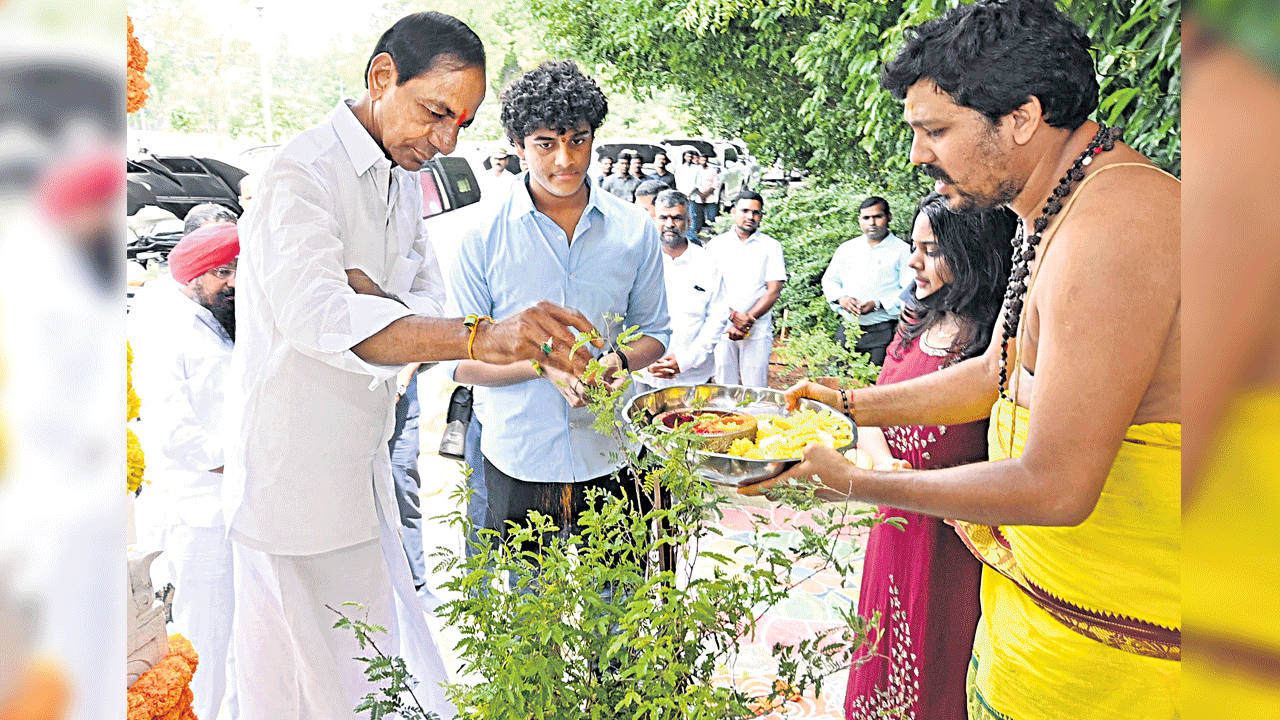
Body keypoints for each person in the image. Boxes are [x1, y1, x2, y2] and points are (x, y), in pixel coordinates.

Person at [743, 2, 1181, 718]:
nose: (919, 155)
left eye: (936, 131)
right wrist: (847, 405)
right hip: (1048, 632)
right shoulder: (1059, 209)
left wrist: (856, 482)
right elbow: (999, 373)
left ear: (1022, 117)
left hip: (1130, 665)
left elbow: (1058, 487)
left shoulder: (1116, 233)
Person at [223, 14, 604, 719]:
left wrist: (383, 305)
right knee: (300, 691)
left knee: (370, 672)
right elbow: (323, 318)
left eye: (462, 123)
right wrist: (472, 335)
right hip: (294, 482)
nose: (446, 141)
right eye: (436, 113)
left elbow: (424, 296)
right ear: (380, 78)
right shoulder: (299, 175)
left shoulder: (400, 176)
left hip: (363, 470)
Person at [446, 59, 669, 580]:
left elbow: (655, 333)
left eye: (578, 140)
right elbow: (460, 361)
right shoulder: (482, 234)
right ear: (519, 147)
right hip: (518, 454)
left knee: (618, 617)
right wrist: (544, 367)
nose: (565, 160)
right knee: (529, 618)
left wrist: (614, 360)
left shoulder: (634, 229)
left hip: (613, 451)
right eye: (545, 143)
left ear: (594, 138)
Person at [844, 193, 1016, 720]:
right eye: (914, 247)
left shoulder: (1000, 349)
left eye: (932, 250)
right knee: (881, 660)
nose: (912, 261)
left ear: (973, 256)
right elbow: (873, 407)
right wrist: (880, 466)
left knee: (937, 674)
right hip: (894, 523)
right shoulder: (916, 320)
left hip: (955, 542)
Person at [129, 221, 242, 720]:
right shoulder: (165, 325)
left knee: (235, 635)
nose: (233, 281)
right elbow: (176, 433)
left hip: (228, 504)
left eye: (239, 269)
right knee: (204, 637)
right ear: (192, 277)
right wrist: (245, 463)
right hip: (196, 513)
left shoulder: (212, 313)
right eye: (222, 271)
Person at [636, 189, 728, 390]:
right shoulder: (637, 260)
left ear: (689, 221)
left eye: (677, 218)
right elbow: (624, 315)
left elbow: (717, 317)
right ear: (653, 219)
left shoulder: (707, 263)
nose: (670, 224)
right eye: (663, 217)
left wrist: (686, 360)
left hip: (694, 377)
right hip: (645, 373)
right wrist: (643, 359)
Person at [820, 196, 913, 366]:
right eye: (866, 218)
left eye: (878, 216)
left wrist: (878, 304)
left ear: (889, 217)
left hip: (884, 332)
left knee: (874, 386)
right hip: (848, 331)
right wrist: (842, 299)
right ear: (859, 220)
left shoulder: (902, 250)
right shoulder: (847, 249)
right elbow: (829, 281)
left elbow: (909, 292)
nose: (872, 222)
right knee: (842, 384)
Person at [706, 190, 785, 388]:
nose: (750, 217)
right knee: (724, 387)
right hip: (722, 326)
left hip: (757, 327)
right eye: (745, 211)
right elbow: (708, 288)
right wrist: (733, 316)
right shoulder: (716, 245)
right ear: (733, 212)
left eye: (756, 212)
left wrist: (746, 320)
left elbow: (773, 290)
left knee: (756, 389)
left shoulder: (771, 246)